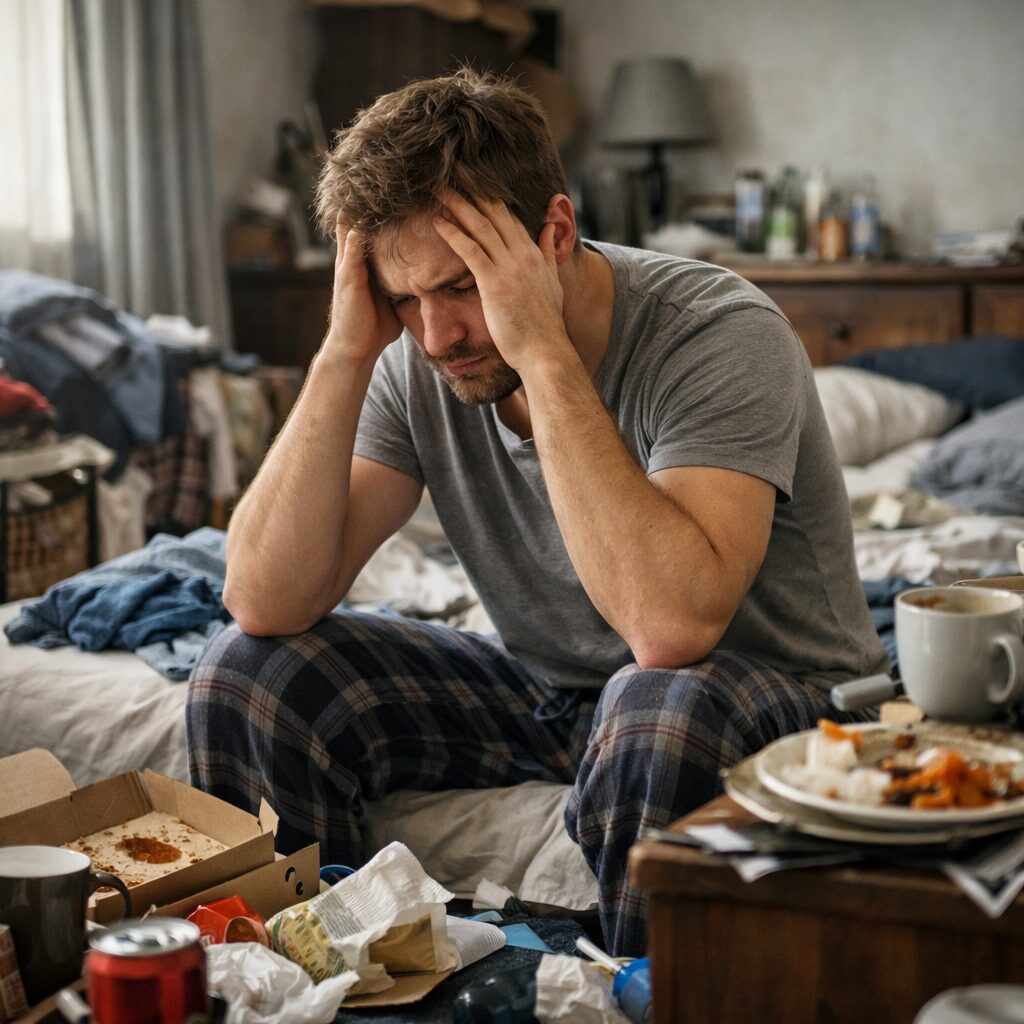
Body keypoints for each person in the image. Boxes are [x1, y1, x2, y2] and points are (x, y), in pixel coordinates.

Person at [186, 68, 887, 957]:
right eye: (404, 297)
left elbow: (671, 629)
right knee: (247, 673)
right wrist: (344, 352)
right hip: (555, 693)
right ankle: (312, 981)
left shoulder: (717, 332)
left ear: (554, 234)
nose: (437, 336)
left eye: (463, 285)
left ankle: (633, 999)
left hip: (771, 702)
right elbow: (262, 598)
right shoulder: (417, 353)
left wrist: (544, 355)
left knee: (657, 708)